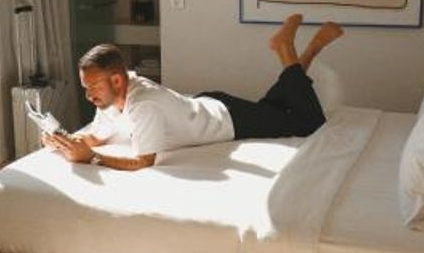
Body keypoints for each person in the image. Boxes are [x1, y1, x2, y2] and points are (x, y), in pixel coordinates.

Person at [44, 13, 343, 171]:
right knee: (278, 105)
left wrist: (92, 158)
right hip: (210, 106)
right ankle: (308, 51)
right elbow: (96, 136)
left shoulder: (142, 104)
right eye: (86, 87)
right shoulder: (111, 97)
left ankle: (286, 49)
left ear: (117, 80)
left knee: (308, 123)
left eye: (94, 87)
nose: (89, 96)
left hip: (227, 120)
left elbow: (143, 162)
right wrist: (62, 142)